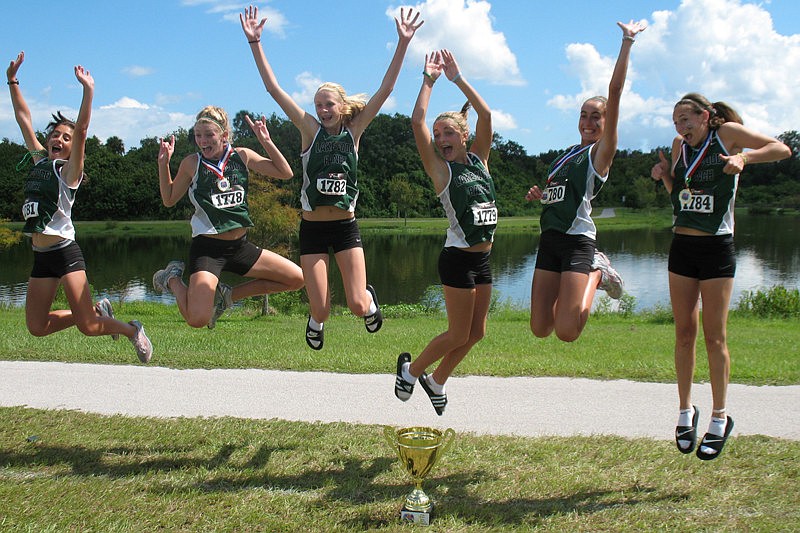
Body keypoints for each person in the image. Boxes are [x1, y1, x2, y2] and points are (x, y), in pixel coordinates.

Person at [240, 5, 423, 350]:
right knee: (321, 310)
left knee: (356, 305)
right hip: (312, 228)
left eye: (328, 105)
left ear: (341, 106)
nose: (322, 110)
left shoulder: (354, 132)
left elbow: (385, 89)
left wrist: (403, 43)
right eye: (318, 105)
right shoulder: (309, 129)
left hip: (345, 227)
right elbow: (273, 89)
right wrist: (255, 43)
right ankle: (315, 318)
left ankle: (368, 298)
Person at [651, 93, 790, 460]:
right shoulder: (680, 146)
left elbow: (782, 150)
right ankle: (685, 411)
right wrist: (666, 177)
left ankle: (720, 416)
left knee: (715, 336)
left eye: (687, 119)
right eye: (676, 122)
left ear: (706, 116)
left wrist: (745, 156)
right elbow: (682, 197)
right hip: (681, 246)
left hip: (716, 248)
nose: (681, 128)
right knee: (684, 334)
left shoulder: (726, 134)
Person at [7, 51, 153, 362]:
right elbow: (23, 119)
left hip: (64, 251)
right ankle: (98, 310)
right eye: (55, 135)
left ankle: (132, 330)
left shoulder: (68, 173)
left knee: (88, 326)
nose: (58, 139)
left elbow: (83, 130)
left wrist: (88, 92)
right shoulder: (39, 161)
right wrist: (12, 80)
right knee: (37, 326)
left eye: (66, 137)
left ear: (73, 147)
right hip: (40, 255)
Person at [525, 21, 645, 342]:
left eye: (596, 116)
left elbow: (615, 92)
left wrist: (627, 42)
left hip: (577, 242)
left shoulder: (599, 154)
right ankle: (593, 275)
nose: (588, 121)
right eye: (583, 115)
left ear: (607, 123)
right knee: (540, 327)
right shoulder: (563, 157)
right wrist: (542, 195)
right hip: (549, 240)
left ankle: (598, 272)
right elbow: (560, 196)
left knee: (566, 331)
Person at [393, 50, 496, 416]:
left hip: (482, 259)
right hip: (457, 260)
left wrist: (458, 77)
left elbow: (485, 115)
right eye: (437, 135)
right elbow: (416, 119)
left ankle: (436, 382)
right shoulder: (442, 171)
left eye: (448, 132)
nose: (440, 138)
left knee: (477, 333)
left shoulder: (480, 161)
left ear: (464, 136)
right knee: (456, 334)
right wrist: (429, 79)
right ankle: (411, 371)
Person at [154, 106, 304, 329]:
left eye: (209, 135)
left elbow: (285, 173)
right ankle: (172, 279)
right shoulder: (192, 163)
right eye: (198, 135)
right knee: (197, 319)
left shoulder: (242, 156)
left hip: (239, 248)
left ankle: (229, 294)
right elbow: (168, 199)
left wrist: (265, 141)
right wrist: (163, 163)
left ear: (224, 135)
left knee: (296, 279)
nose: (203, 141)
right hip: (207, 251)